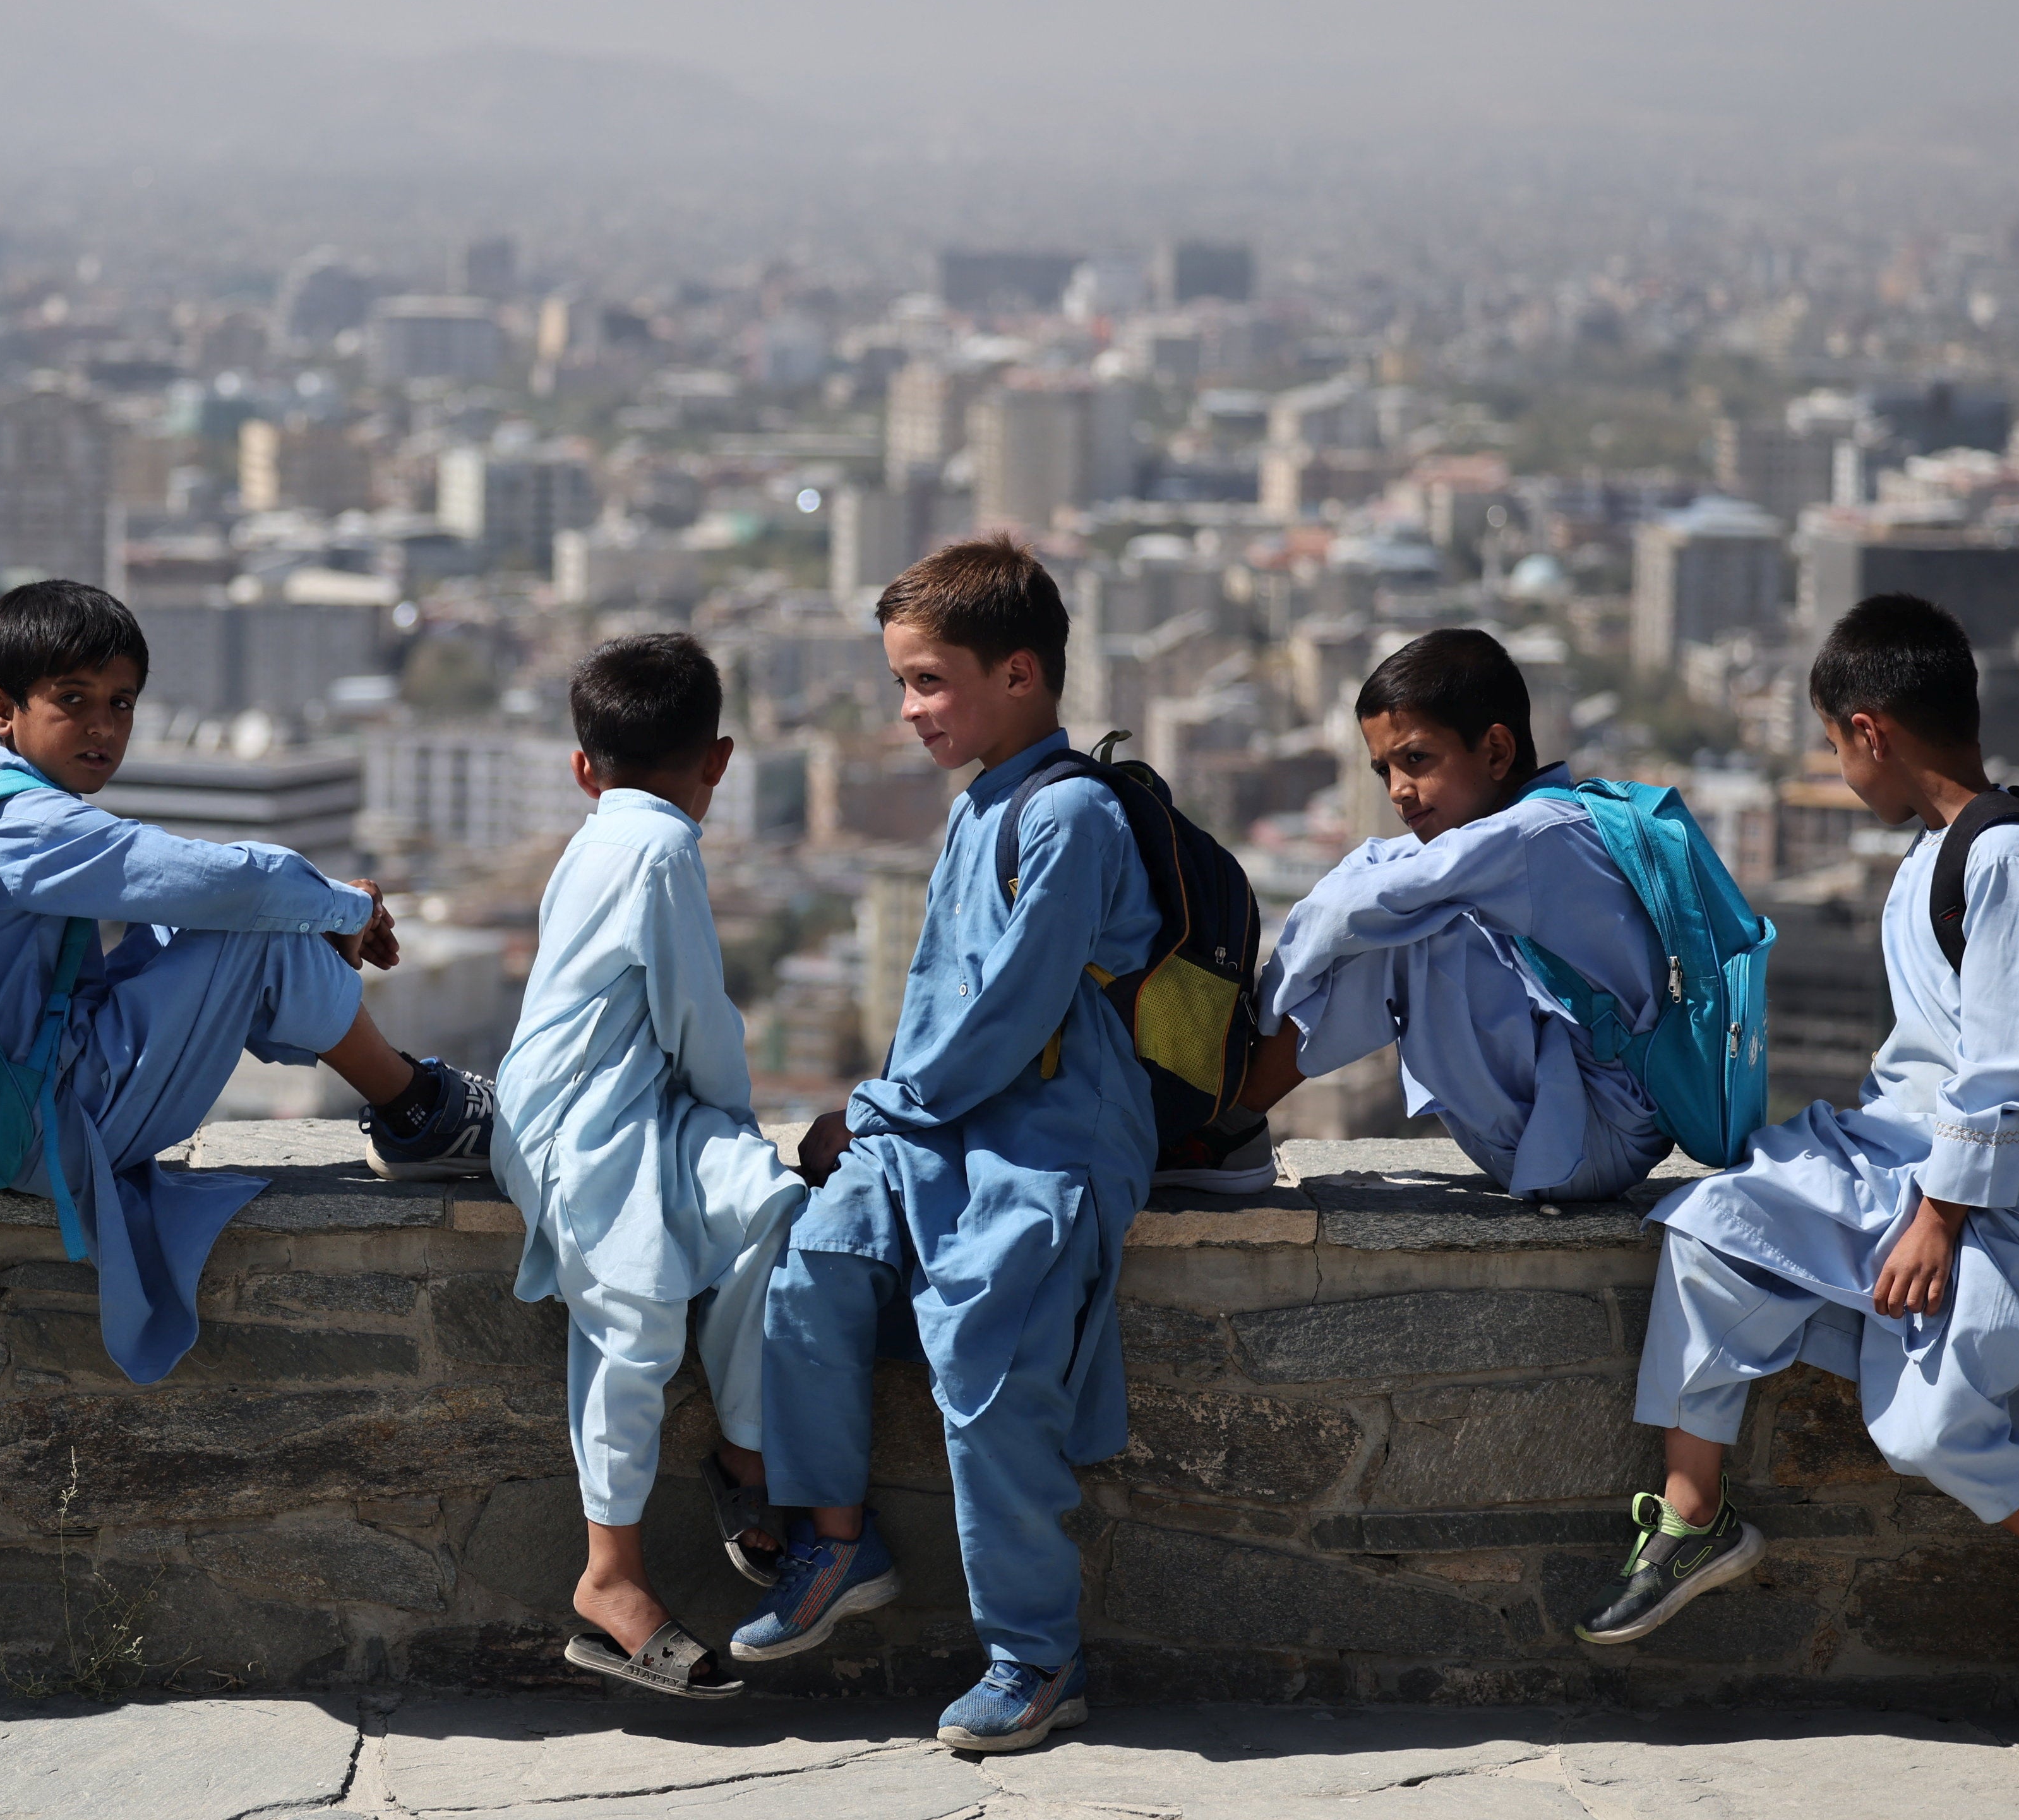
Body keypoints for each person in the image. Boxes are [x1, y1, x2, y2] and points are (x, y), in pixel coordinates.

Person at [1591, 592, 2019, 1733]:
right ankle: (1691, 1518)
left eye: (1833, 745)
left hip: (1983, 1192)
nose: (1838, 770)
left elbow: (2012, 1068)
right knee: (1714, 1228)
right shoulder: (1931, 859)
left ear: (1870, 730)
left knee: (1926, 1432)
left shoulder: (2009, 860)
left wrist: (1939, 1217)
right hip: (1892, 1158)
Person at [733, 536, 1156, 1754]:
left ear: (1020, 675)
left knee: (987, 1366)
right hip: (934, 1127)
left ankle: (1037, 1658)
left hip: (1042, 1140)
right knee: (812, 1270)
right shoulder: (984, 801)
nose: (910, 710)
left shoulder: (1068, 815)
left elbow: (1011, 1016)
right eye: (903, 684)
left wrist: (869, 1112)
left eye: (929, 682)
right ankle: (838, 1541)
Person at [0, 580, 493, 1386]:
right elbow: (209, 878)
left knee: (231, 917)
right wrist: (339, 906)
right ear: (2, 710)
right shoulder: (32, 828)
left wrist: (316, 911)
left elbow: (182, 886)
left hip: (7, 1107)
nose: (104, 726)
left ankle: (406, 1094)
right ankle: (418, 1111)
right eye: (74, 699)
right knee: (251, 929)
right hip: (44, 1132)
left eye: (123, 702)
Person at [493, 633, 808, 1699]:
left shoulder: (609, 835)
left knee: (768, 1208)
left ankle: (745, 1451)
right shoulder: (661, 847)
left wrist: (725, 1145)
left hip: (649, 1106)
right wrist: (730, 1117)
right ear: (718, 760)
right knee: (635, 1314)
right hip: (579, 1120)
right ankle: (609, 1576)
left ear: (586, 767)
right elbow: (695, 1014)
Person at [1235, 628, 1672, 1202]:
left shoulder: (1534, 834)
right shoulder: (1536, 829)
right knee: (1395, 901)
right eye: (1384, 771)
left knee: (1403, 928)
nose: (1398, 791)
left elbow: (1345, 909)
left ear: (1495, 751)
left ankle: (1225, 1125)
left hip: (1588, 1134)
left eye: (1416, 760)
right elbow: (1372, 869)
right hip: (1576, 1122)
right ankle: (1227, 1123)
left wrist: (1265, 1005)